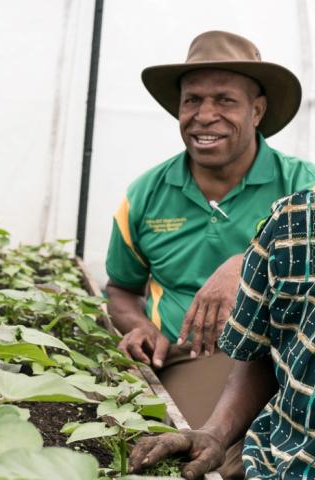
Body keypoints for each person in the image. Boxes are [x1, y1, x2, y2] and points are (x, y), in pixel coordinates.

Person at [105, 30, 315, 478]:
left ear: (257, 110)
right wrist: (140, 326)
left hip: (286, 363)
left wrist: (248, 263)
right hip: (191, 360)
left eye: (225, 100)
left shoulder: (303, 188)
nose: (204, 116)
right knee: (221, 460)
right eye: (191, 101)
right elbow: (121, 290)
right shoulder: (147, 194)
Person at [128, 188, 315, 479]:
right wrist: (215, 433)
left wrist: (240, 262)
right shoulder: (294, 217)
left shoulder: (293, 179)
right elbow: (265, 348)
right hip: (279, 462)